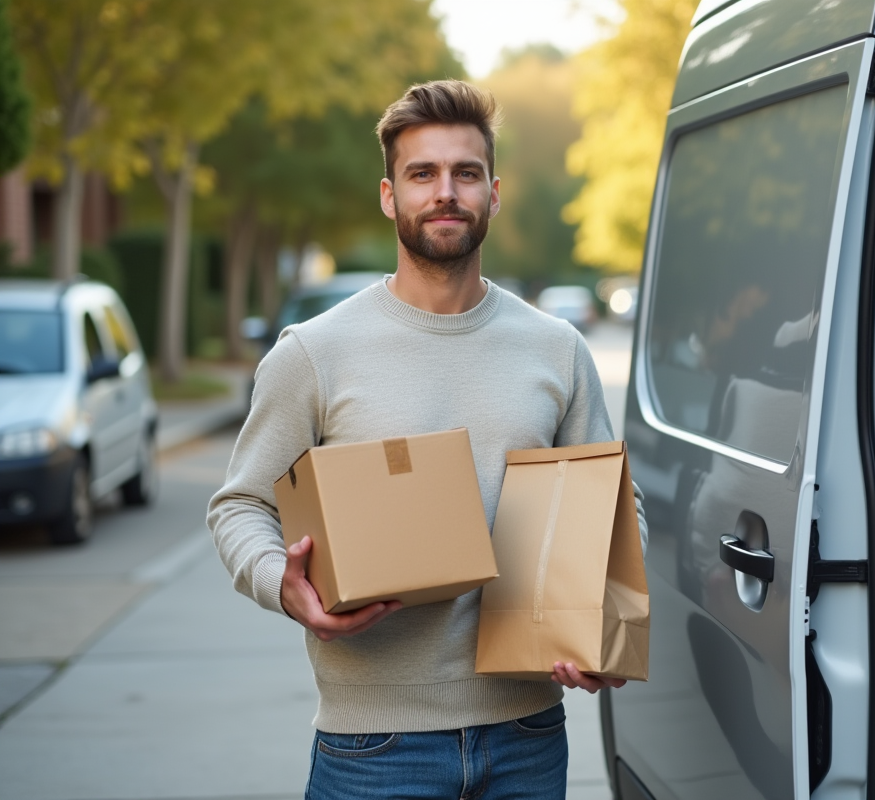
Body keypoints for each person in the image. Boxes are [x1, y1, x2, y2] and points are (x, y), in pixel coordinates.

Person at [208, 79, 646, 800]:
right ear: (390, 196)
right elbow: (241, 505)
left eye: (465, 173)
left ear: (493, 194)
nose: (446, 192)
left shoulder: (556, 349)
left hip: (528, 736)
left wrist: (605, 624)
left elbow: (612, 511)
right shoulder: (315, 352)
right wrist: (282, 585)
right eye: (423, 174)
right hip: (373, 749)